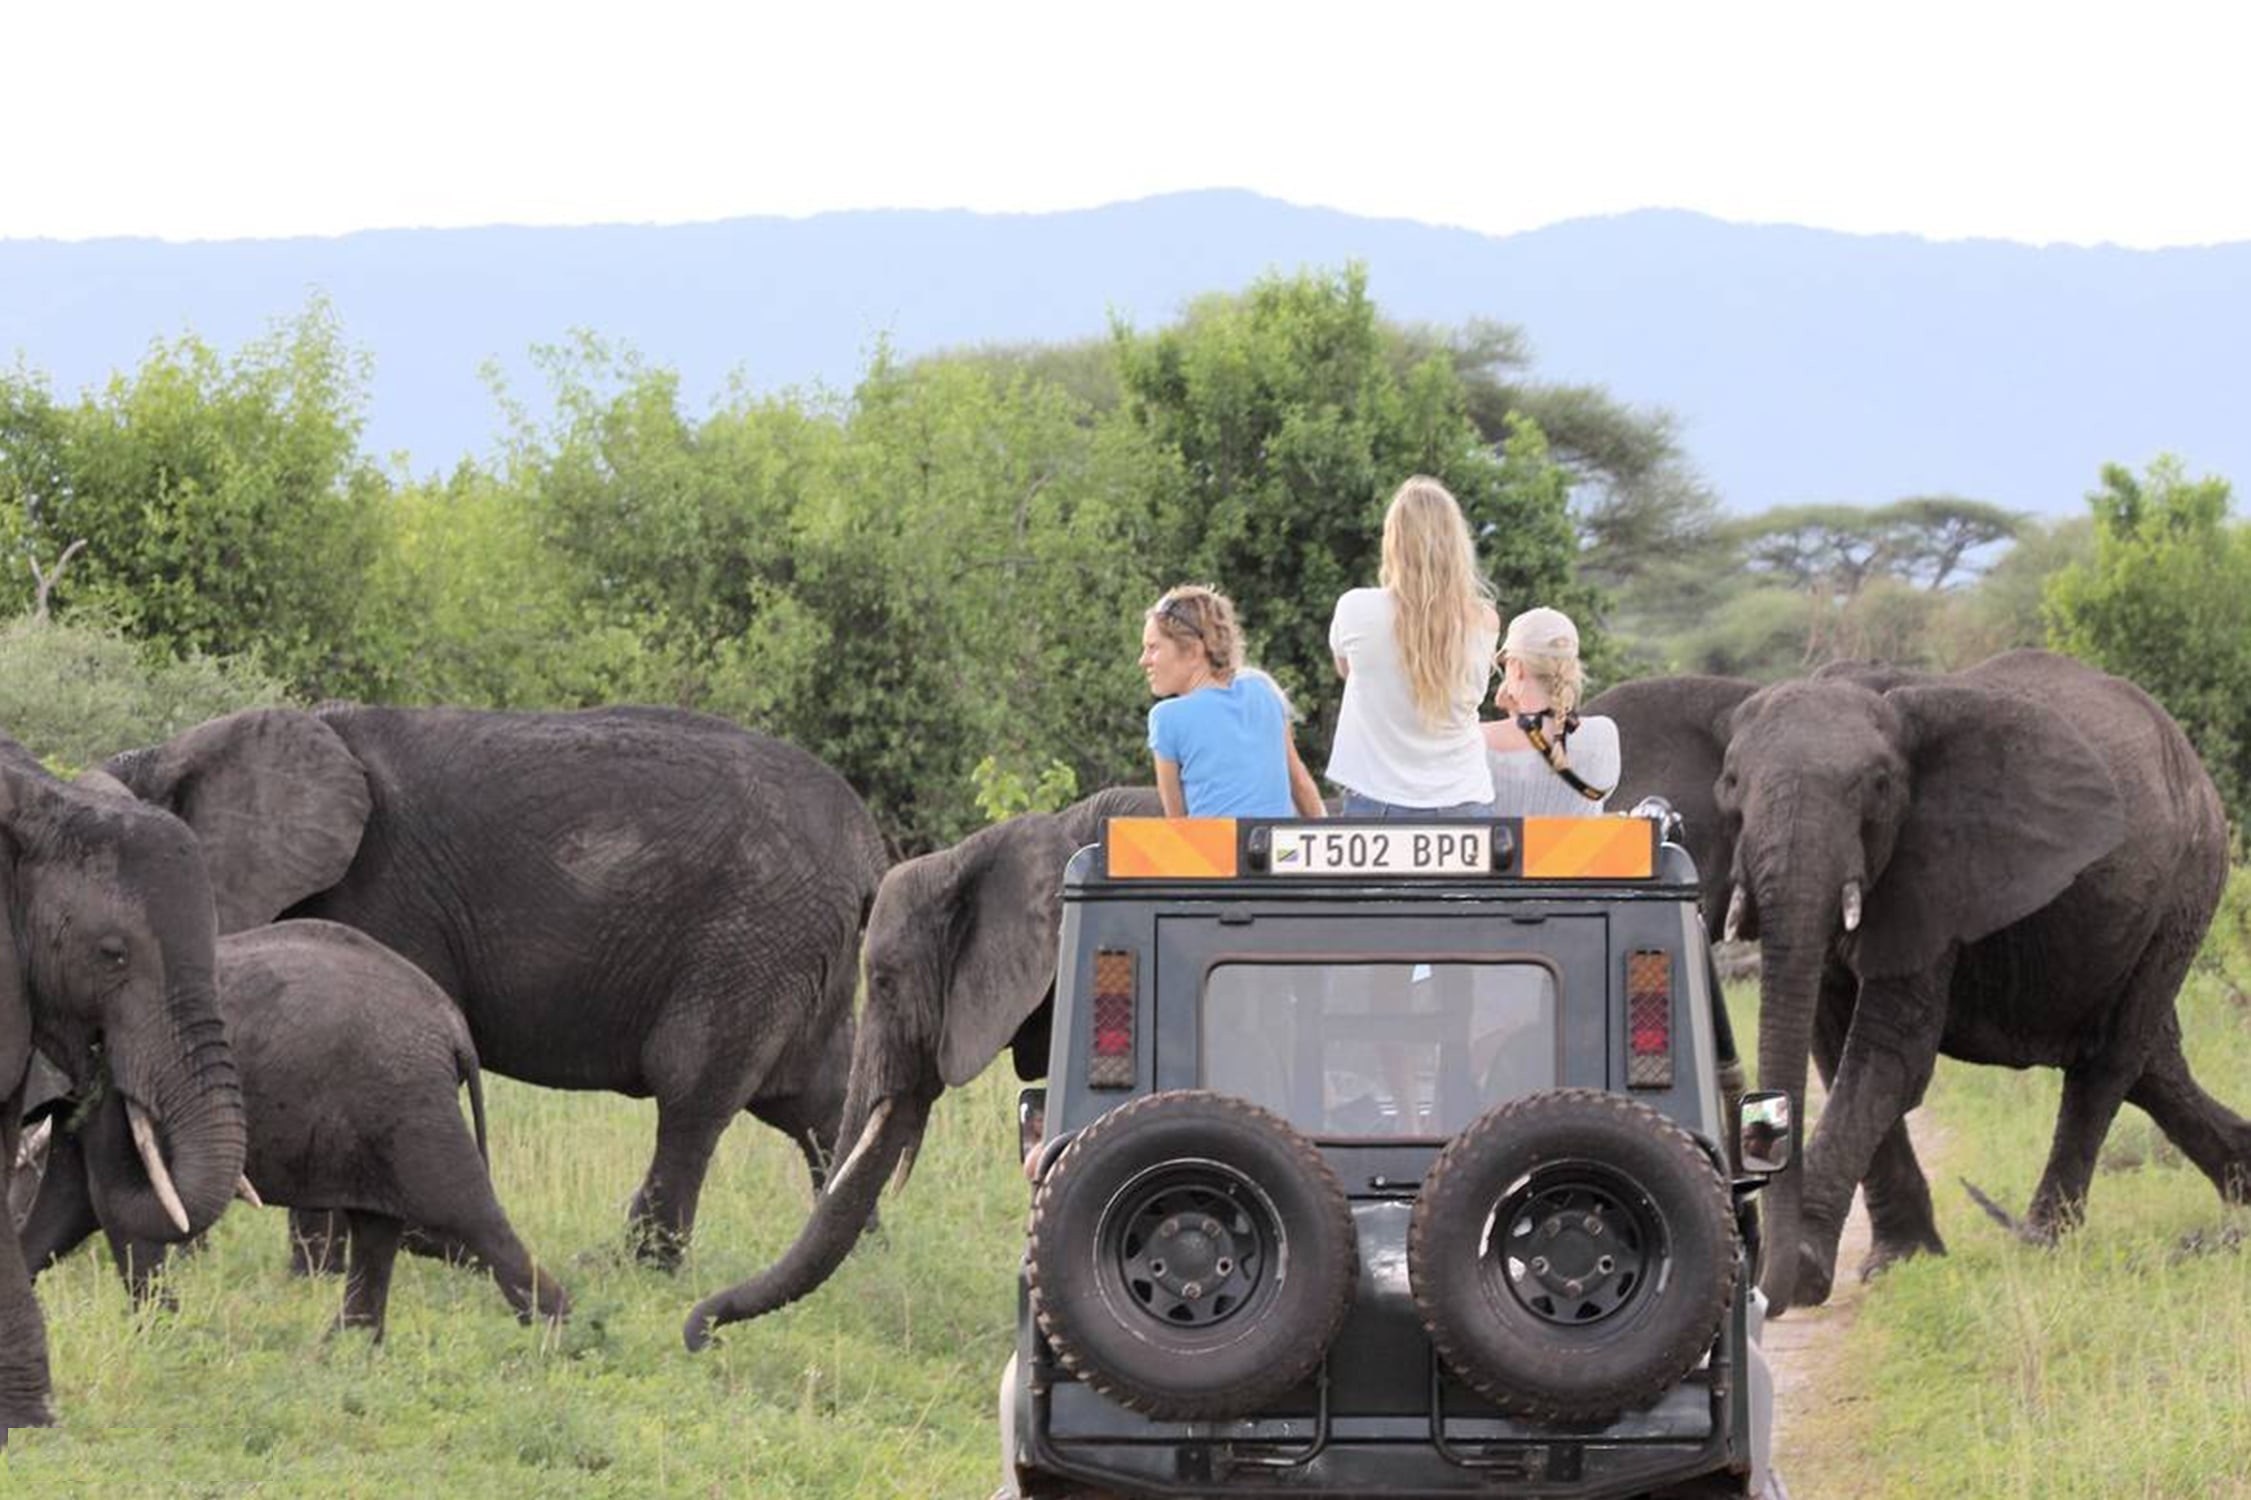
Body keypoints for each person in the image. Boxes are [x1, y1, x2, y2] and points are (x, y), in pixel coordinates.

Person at [1326, 477, 1502, 818]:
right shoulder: (1484, 620)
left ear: (1393, 541)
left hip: (1375, 801)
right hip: (1463, 799)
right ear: (1457, 544)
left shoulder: (1355, 608)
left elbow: (1347, 671)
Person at [1142, 585, 1326, 818]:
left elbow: (1178, 821)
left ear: (1192, 651)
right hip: (1275, 850)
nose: (1143, 660)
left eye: (1152, 648)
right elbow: (1300, 783)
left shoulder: (1166, 718)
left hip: (1213, 852)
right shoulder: (1263, 689)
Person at [1482, 605, 1621, 815]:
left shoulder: (1480, 739)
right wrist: (1518, 716)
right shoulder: (1604, 734)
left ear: (1517, 668)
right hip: (1579, 848)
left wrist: (1516, 716)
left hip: (1507, 849)